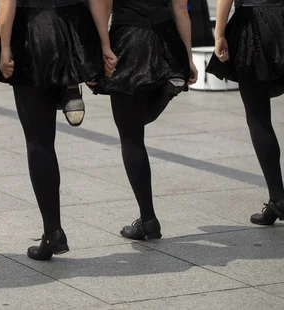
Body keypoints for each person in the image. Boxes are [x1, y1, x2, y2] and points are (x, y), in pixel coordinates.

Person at [0, 0, 103, 260]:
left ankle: (54, 231)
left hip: (32, 30)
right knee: (41, 140)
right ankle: (69, 87)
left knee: (39, 142)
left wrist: (5, 47)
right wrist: (103, 45)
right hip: (73, 26)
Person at [89, 0, 197, 240]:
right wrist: (188, 57)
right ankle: (168, 83)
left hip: (130, 40)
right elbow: (180, 8)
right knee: (136, 122)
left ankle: (148, 219)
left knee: (131, 136)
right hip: (168, 41)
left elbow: (103, 5)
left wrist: (103, 47)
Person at [207, 0, 284, 225]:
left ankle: (278, 198)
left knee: (258, 117)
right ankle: (276, 199)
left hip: (253, 25)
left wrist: (219, 34)